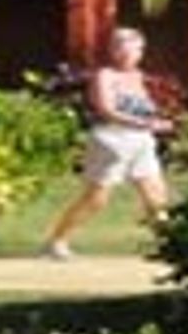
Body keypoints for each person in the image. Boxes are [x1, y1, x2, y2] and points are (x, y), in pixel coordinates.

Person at [41, 28, 171, 259]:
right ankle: (57, 240)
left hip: (141, 142)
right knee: (96, 199)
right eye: (123, 48)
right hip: (110, 141)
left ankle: (171, 244)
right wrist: (145, 124)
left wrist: (157, 122)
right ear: (114, 51)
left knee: (156, 195)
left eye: (136, 49)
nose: (130, 54)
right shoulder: (105, 75)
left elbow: (146, 111)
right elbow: (106, 110)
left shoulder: (139, 77)